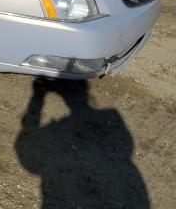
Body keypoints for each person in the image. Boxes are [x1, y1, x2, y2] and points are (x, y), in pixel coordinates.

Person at [15, 78, 149, 208]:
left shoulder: (108, 117)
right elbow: (126, 147)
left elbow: (28, 150)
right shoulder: (111, 116)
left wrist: (38, 96)